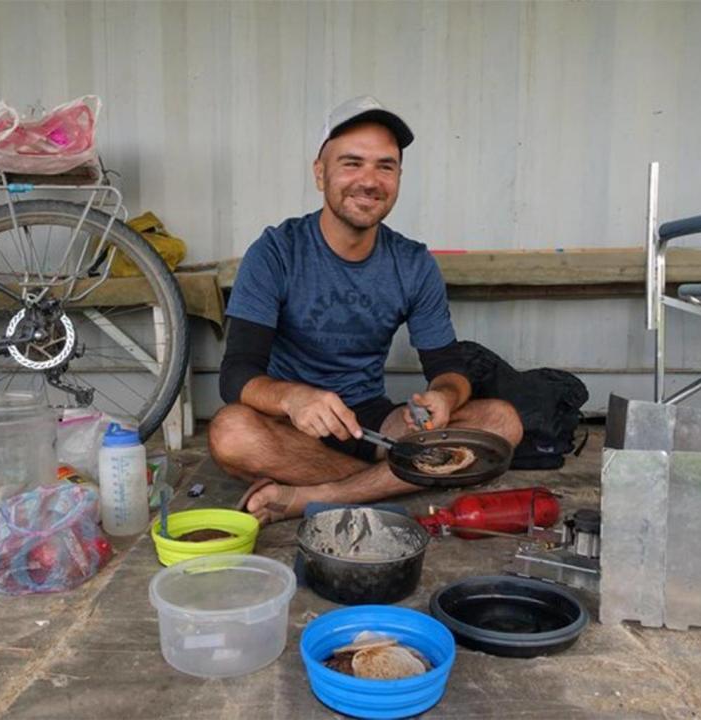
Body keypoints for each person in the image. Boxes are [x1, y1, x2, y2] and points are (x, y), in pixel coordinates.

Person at [208, 95, 523, 525]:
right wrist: (295, 397)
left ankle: (312, 497)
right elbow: (237, 373)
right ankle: (401, 479)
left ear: (398, 177)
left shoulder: (412, 263)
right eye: (352, 163)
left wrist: (444, 397)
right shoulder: (276, 252)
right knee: (230, 432)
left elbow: (449, 366)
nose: (369, 180)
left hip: (374, 425)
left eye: (385, 166)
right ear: (320, 173)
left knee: (503, 422)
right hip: (290, 430)